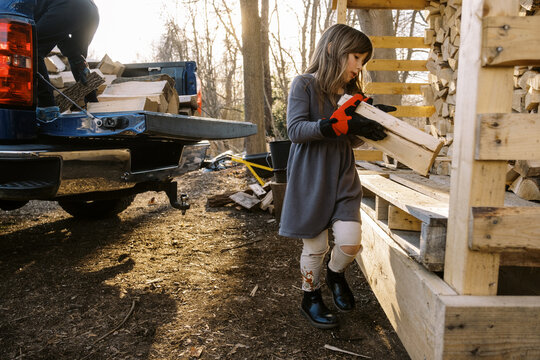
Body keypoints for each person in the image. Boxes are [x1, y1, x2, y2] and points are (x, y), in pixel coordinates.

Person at [278, 24, 396, 329]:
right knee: (315, 247)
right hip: (310, 178)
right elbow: (294, 130)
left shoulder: (353, 95)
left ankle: (335, 273)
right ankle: (311, 297)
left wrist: (367, 129)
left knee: (349, 243)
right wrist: (330, 126)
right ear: (333, 49)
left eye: (363, 61)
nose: (359, 67)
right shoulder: (304, 84)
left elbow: (349, 139)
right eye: (356, 57)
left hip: (343, 175)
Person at [34, 0, 100, 121]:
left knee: (32, 48)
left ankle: (47, 107)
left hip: (66, 7)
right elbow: (59, 33)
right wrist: (73, 54)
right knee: (78, 59)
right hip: (90, 9)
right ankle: (94, 104)